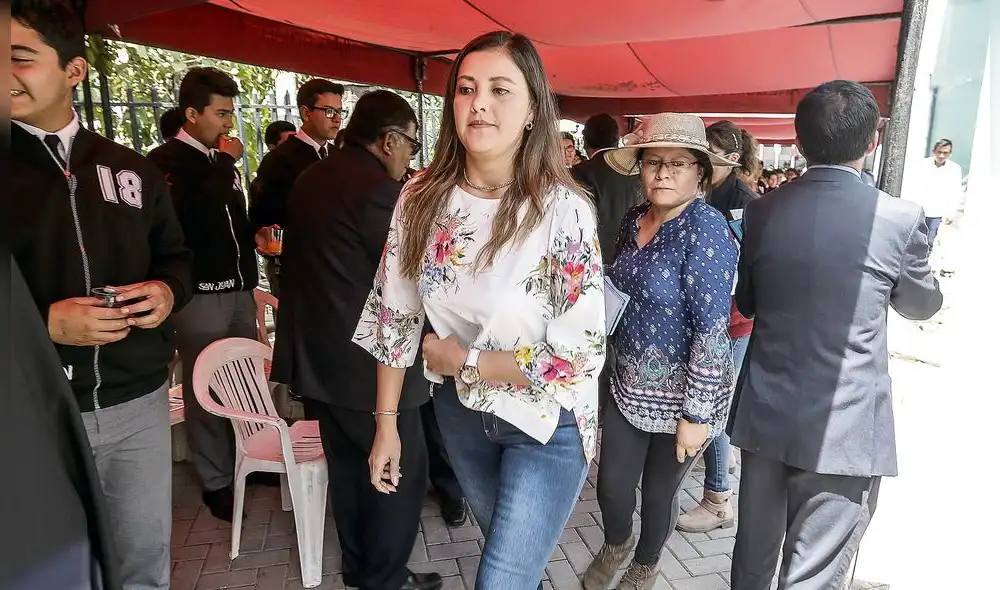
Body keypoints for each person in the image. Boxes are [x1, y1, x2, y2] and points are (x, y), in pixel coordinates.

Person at [353, 31, 606, 589]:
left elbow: (578, 358)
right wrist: (387, 427)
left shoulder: (563, 210)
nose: (480, 103)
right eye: (466, 89)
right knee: (516, 567)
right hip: (463, 418)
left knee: (501, 580)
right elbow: (394, 318)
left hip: (547, 421)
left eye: (500, 89)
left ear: (533, 108)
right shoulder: (421, 198)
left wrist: (465, 360)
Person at [728, 80, 943, 589]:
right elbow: (921, 304)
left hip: (766, 414)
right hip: (845, 423)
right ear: (872, 142)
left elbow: (748, 301)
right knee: (814, 572)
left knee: (753, 558)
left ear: (800, 144)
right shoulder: (897, 217)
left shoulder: (763, 210)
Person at [10, 2, 193, 587]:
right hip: (29, 410)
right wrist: (41, 324)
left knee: (143, 565)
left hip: (135, 402)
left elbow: (176, 258)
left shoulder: (130, 170)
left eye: (19, 58)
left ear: (74, 71)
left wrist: (165, 292)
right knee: (53, 570)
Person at [271, 89, 441, 590]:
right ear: (389, 141)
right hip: (371, 369)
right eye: (411, 144)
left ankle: (360, 569)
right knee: (396, 479)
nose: (411, 156)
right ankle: (385, 580)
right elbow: (416, 280)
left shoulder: (312, 177)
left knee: (349, 476)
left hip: (319, 361)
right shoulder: (378, 194)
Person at [584, 113, 738, 590]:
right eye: (653, 162)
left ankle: (645, 565)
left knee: (657, 493)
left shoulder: (707, 231)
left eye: (678, 163)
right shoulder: (633, 219)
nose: (664, 173)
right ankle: (616, 543)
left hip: (684, 398)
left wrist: (696, 414)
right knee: (611, 486)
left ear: (700, 173)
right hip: (627, 386)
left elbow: (712, 332)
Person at [148, 66, 260, 522]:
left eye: (231, 112)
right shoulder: (165, 163)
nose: (228, 123)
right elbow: (184, 220)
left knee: (245, 377)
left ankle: (253, 456)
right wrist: (226, 164)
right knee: (206, 385)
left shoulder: (219, 162)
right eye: (220, 113)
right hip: (199, 295)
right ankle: (215, 479)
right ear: (191, 113)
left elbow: (232, 219)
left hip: (237, 288)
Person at [673, 120, 760, 535]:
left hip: (732, 321)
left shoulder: (744, 200)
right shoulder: (705, 189)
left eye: (711, 151)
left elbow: (745, 266)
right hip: (705, 315)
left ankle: (718, 497)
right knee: (709, 408)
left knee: (714, 411)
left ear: (733, 158)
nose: (703, 158)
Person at [570, 113, 644, 417]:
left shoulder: (580, 173)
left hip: (593, 272)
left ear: (584, 142)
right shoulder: (637, 174)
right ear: (616, 141)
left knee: (591, 336)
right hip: (633, 268)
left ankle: (598, 403)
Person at [249, 79, 346, 297]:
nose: (337, 118)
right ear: (306, 112)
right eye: (329, 111)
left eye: (340, 111)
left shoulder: (338, 156)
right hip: (296, 268)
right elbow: (264, 217)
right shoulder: (280, 159)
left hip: (336, 265)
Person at [905, 138, 963, 252]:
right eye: (939, 152)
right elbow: (913, 184)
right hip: (920, 209)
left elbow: (956, 191)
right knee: (913, 239)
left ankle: (923, 265)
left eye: (945, 153)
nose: (941, 156)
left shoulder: (954, 169)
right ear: (933, 151)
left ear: (950, 154)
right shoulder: (923, 165)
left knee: (930, 241)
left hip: (937, 212)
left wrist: (951, 212)